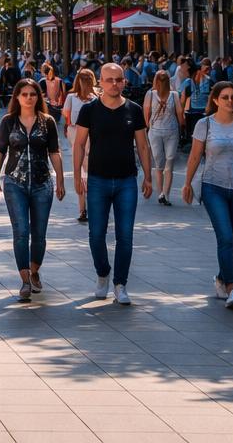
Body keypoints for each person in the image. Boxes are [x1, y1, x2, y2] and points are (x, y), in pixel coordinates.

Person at [73, 63, 152, 306]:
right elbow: (79, 144)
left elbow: (142, 145)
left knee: (125, 235)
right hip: (97, 179)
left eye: (118, 80)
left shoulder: (134, 110)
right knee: (96, 234)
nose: (114, 84)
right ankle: (103, 273)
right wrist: (77, 175)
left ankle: (120, 283)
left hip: (127, 180)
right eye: (109, 80)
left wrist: (148, 176)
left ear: (124, 82)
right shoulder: (89, 110)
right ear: (101, 82)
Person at [182, 82, 233, 310]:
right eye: (225, 97)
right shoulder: (204, 124)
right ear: (216, 100)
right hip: (213, 186)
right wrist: (187, 183)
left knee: (232, 241)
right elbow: (195, 156)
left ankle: (220, 277)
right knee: (225, 237)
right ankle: (232, 289)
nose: (230, 101)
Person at [0, 78, 64, 302]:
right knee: (21, 231)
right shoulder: (8, 122)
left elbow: (54, 152)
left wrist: (60, 179)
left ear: (38, 97)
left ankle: (34, 271)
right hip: (15, 183)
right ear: (17, 97)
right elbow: (0, 151)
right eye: (24, 94)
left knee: (39, 234)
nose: (29, 98)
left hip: (43, 183)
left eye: (33, 94)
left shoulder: (47, 121)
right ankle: (24, 280)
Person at [144, 70, 181, 206]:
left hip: (156, 131)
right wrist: (182, 126)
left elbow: (146, 112)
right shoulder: (174, 95)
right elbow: (180, 113)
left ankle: (163, 193)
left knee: (161, 164)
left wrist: (148, 126)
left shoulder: (150, 94)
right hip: (170, 131)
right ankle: (164, 194)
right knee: (167, 163)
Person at [63, 68, 96, 223]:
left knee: (85, 168)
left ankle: (86, 207)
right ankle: (86, 207)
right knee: (85, 168)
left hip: (83, 132)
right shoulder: (76, 97)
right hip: (82, 132)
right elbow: (66, 115)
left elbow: (66, 115)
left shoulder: (92, 97)